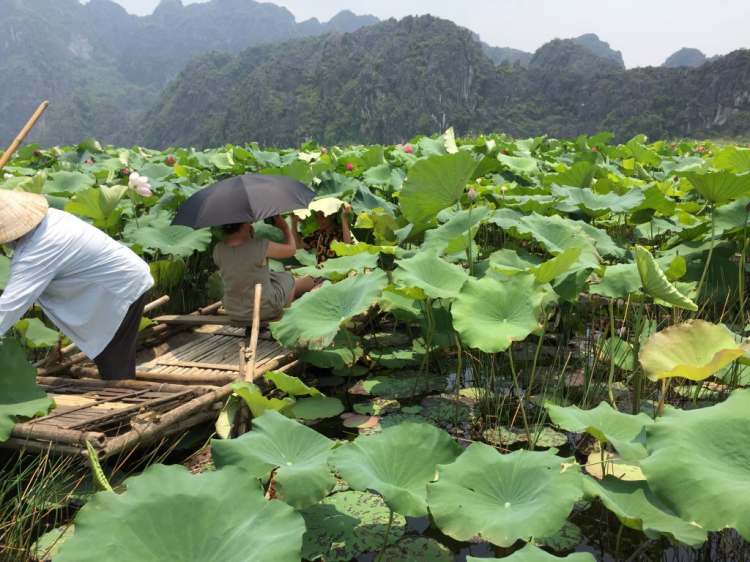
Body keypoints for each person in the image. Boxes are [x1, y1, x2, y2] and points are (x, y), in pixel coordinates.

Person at [0, 190, 154, 380]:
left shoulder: (38, 249)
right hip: (116, 281)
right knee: (110, 355)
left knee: (113, 359)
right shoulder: (51, 218)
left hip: (120, 287)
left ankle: (128, 401)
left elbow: (10, 305)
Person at [213, 215, 314, 323]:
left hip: (233, 311)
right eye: (249, 222)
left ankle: (251, 326)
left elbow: (240, 269)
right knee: (289, 277)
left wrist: (249, 239)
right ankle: (280, 321)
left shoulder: (218, 249)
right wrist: (285, 228)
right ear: (243, 225)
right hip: (263, 310)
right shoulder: (260, 245)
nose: (251, 224)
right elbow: (291, 249)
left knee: (270, 276)